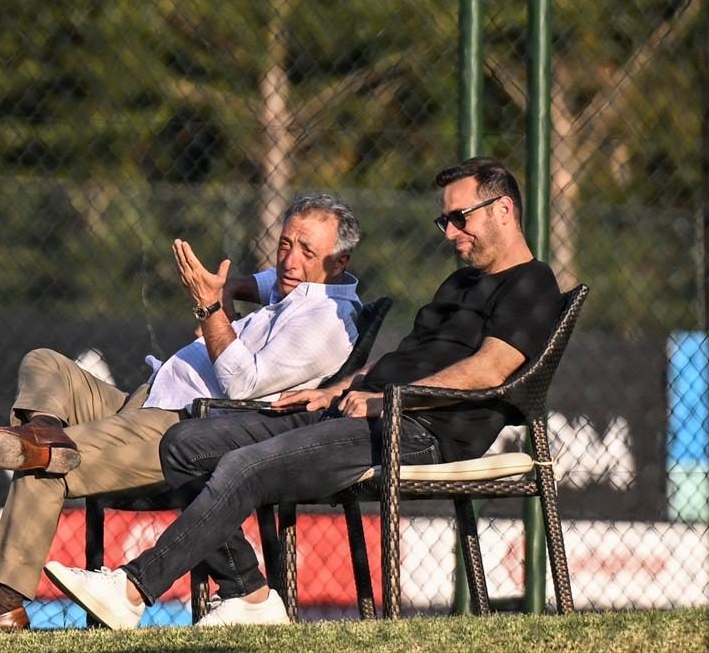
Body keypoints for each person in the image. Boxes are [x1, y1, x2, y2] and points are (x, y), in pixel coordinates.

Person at [42, 157, 563, 628]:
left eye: (459, 218)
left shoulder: (532, 283)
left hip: (421, 428)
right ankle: (249, 596)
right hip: (363, 410)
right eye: (444, 220)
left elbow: (490, 369)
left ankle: (131, 589)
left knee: (246, 466)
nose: (450, 232)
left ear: (503, 210)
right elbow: (404, 358)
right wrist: (336, 388)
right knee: (184, 443)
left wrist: (388, 399)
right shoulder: (459, 285)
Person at [0, 193, 363, 630]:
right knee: (45, 363)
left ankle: (1, 602)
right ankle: (44, 429)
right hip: (144, 400)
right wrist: (228, 288)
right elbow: (259, 281)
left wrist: (210, 307)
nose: (290, 260)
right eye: (285, 243)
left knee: (49, 463)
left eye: (307, 252)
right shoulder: (296, 286)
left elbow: (243, 384)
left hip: (180, 425)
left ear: (339, 262)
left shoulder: (326, 320)